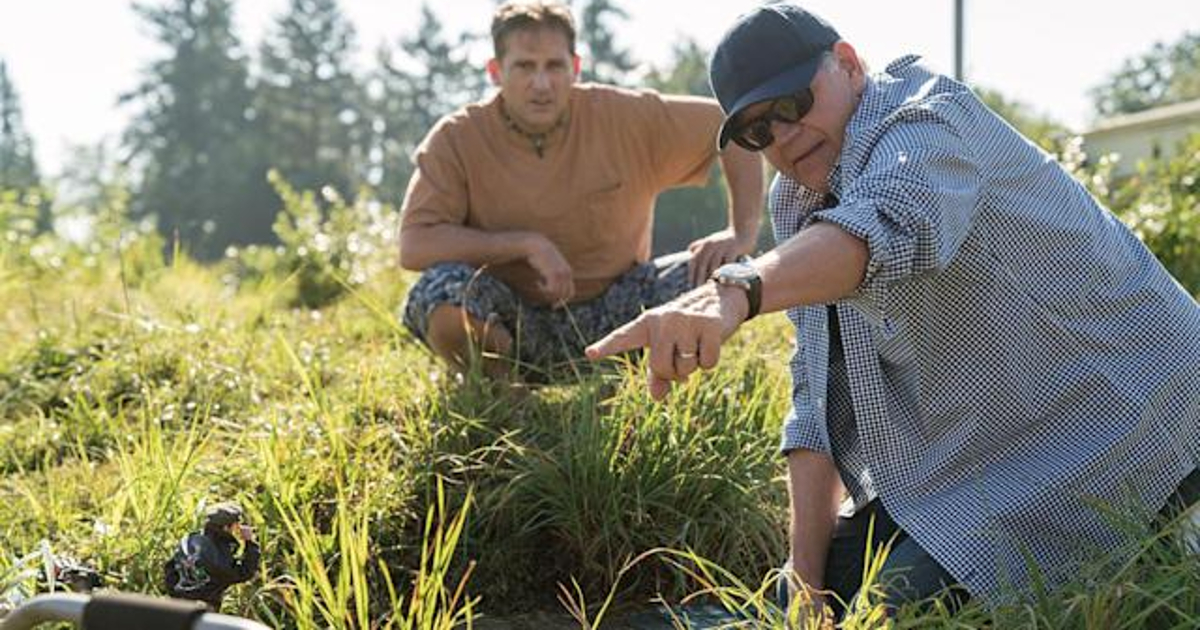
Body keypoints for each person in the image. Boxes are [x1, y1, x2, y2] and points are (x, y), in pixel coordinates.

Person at [587, 3, 1200, 619]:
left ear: (848, 64)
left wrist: (736, 292)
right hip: (996, 453)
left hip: (1130, 421)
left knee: (892, 607)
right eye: (757, 131)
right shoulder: (798, 197)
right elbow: (818, 394)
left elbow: (886, 223)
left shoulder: (929, 117)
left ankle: (1158, 549)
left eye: (792, 104)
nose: (782, 136)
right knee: (809, 587)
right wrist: (805, 581)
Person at [398, 0, 764, 381]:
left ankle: (652, 387)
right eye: (524, 66)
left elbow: (732, 128)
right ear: (495, 71)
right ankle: (507, 399)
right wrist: (525, 244)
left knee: (724, 273)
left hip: (624, 312)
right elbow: (414, 245)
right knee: (438, 291)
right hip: (509, 319)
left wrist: (742, 231)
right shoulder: (456, 138)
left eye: (554, 66)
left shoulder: (623, 116)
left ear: (574, 67)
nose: (541, 84)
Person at [164, 502, 260, 611]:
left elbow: (170, 568)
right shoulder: (218, 554)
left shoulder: (191, 539)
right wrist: (250, 543)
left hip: (176, 604)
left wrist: (176, 593)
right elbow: (244, 573)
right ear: (225, 527)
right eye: (236, 524)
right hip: (201, 609)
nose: (238, 528)